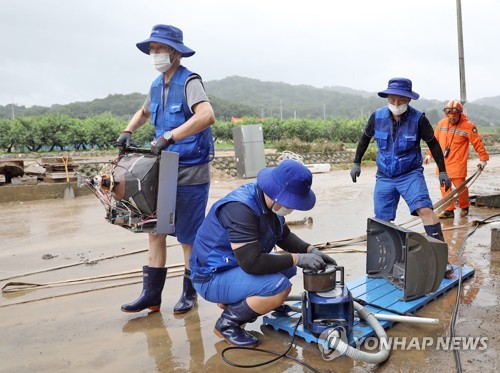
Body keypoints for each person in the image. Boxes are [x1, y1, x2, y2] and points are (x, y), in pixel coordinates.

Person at [115, 24, 215, 314]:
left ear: (175, 52)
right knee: (155, 231)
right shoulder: (156, 85)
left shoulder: (189, 81)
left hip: (190, 171)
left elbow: (207, 115)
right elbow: (145, 112)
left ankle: (189, 293)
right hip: (162, 170)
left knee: (187, 236)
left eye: (160, 49)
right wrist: (128, 130)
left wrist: (169, 136)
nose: (155, 54)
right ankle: (151, 295)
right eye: (153, 49)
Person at [189, 160, 337, 348]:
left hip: (233, 266)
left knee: (288, 269)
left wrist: (311, 250)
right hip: (211, 276)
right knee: (280, 287)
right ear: (279, 194)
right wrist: (299, 259)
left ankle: (237, 303)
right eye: (292, 202)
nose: (292, 208)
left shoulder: (269, 202)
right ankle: (227, 324)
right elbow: (252, 263)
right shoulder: (240, 209)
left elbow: (284, 236)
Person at [349, 77, 454, 277]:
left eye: (401, 100)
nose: (396, 104)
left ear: (408, 100)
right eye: (392, 99)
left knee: (425, 210)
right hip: (385, 176)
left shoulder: (419, 119)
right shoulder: (377, 116)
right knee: (382, 220)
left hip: (410, 174)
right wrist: (356, 162)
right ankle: (389, 260)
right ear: (387, 98)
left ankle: (441, 259)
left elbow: (433, 144)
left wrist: (442, 170)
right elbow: (364, 139)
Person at [424, 100, 489, 218]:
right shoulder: (442, 124)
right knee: (444, 186)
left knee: (460, 187)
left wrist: (483, 159)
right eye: (449, 117)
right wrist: (429, 154)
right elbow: (435, 141)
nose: (452, 119)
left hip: (457, 163)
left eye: (454, 117)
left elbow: (477, 143)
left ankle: (464, 206)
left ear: (459, 113)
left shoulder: (468, 126)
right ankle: (449, 210)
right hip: (442, 162)